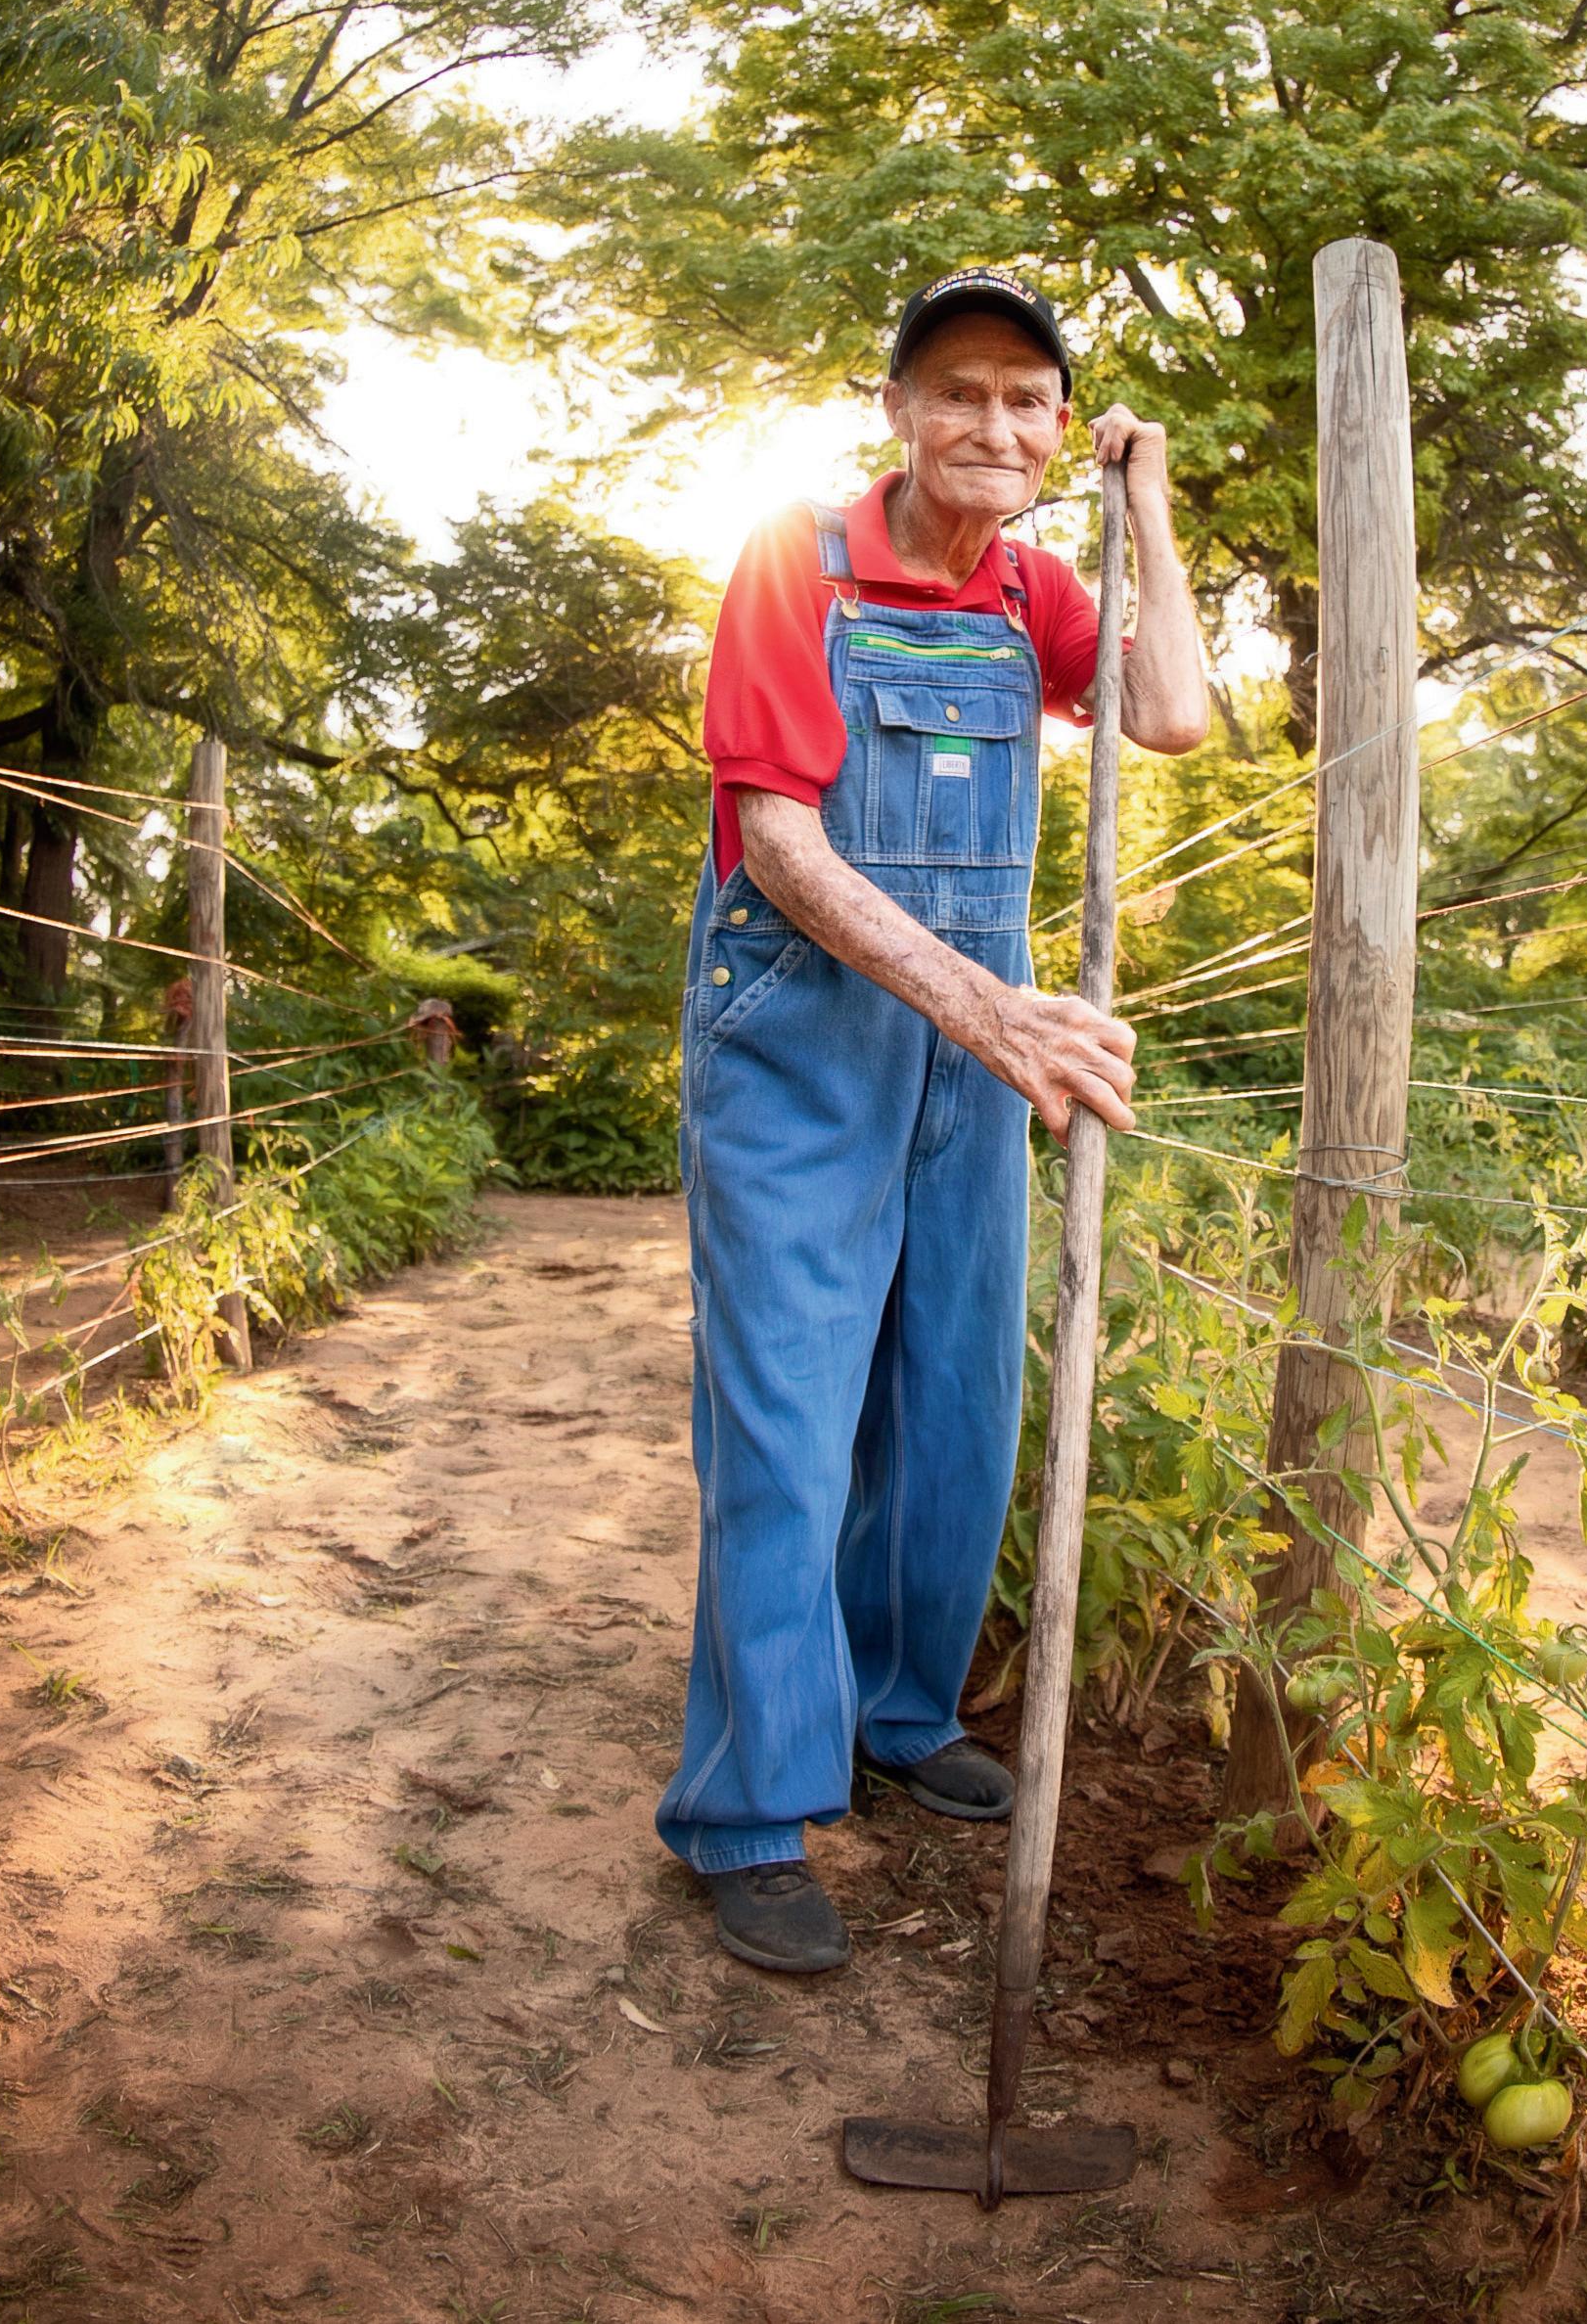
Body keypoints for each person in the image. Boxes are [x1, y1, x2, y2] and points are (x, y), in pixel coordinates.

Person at [657, 268, 1209, 1971]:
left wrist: (1148, 503)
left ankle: (899, 1709)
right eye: (957, 390)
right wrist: (992, 1010)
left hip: (972, 1058)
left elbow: (1172, 714)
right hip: (801, 1043)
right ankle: (753, 1806)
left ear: (1060, 429)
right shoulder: (794, 559)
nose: (992, 424)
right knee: (789, 1420)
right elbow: (779, 846)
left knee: (957, 1401)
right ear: (897, 408)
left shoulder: (1039, 585)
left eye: (1028, 399)